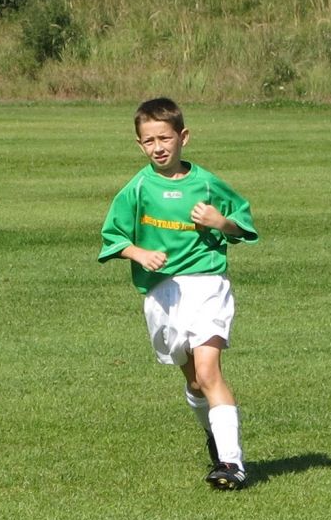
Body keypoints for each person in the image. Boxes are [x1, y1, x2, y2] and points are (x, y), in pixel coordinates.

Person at [98, 97, 259, 490]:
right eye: (149, 140)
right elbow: (113, 237)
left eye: (165, 138)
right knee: (194, 382)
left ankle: (232, 462)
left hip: (207, 284)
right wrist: (139, 253)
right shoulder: (138, 189)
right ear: (139, 144)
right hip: (162, 295)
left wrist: (220, 222)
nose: (158, 147)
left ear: (183, 137)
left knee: (208, 371)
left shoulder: (206, 183)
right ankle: (215, 436)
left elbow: (243, 223)